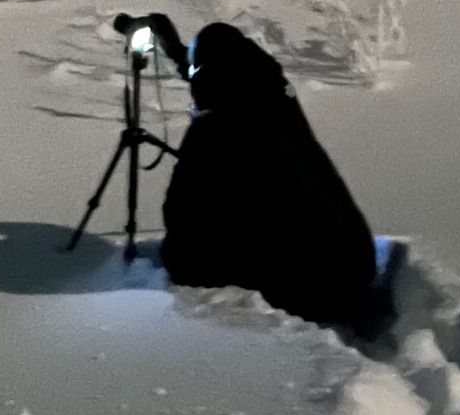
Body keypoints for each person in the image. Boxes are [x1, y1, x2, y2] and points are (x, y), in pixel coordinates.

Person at [157, 20, 380, 334]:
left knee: (185, 256)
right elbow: (223, 71)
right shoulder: (274, 95)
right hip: (355, 261)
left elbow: (179, 215)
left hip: (316, 293)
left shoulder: (214, 131)